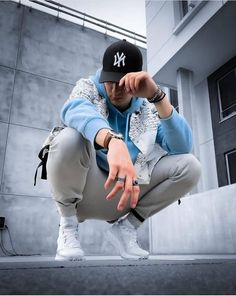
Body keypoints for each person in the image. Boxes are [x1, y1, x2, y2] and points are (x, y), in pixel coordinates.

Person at [42, 39, 201, 261]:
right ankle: (67, 228)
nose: (115, 89)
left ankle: (126, 229)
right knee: (68, 137)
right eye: (110, 81)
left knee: (190, 166)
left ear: (136, 82)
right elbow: (73, 109)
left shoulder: (147, 109)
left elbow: (182, 146)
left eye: (123, 83)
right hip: (84, 192)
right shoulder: (88, 87)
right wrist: (112, 141)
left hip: (126, 196)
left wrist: (157, 97)